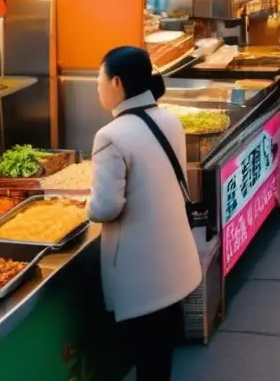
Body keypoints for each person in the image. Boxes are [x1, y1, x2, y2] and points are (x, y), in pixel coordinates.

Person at [89, 46, 201, 380]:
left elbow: (105, 208)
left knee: (145, 354)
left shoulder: (110, 135)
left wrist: (85, 202)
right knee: (158, 354)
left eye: (100, 80)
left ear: (117, 82)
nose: (98, 88)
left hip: (138, 272)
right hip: (172, 261)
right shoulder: (168, 119)